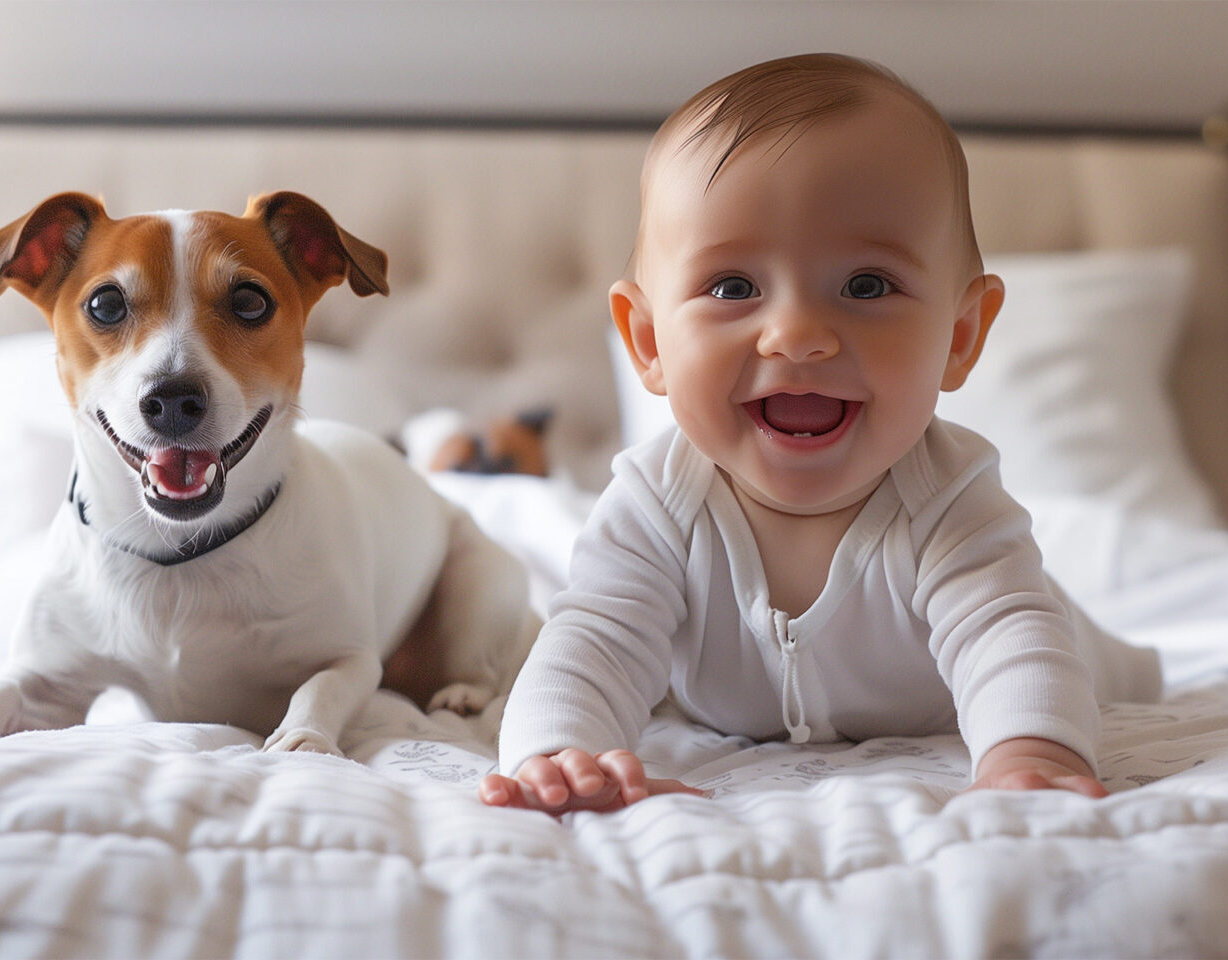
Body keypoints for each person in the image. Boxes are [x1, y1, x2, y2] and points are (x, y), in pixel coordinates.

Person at [478, 53, 1161, 815]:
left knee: (1081, 650)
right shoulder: (656, 506)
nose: (797, 335)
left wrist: (1030, 751)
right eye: (733, 287)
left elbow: (1010, 639)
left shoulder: (951, 499)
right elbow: (591, 644)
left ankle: (1135, 662)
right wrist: (559, 752)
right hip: (730, 702)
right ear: (647, 342)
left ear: (962, 334)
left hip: (1065, 651)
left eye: (866, 286)